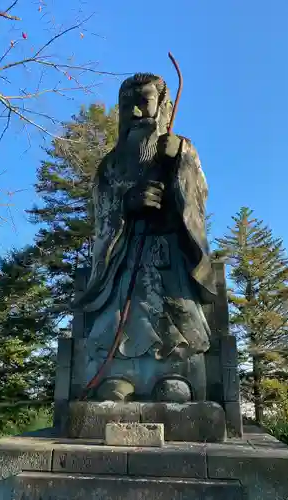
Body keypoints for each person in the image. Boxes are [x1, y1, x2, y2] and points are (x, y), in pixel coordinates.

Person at [79, 73, 217, 402]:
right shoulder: (111, 164)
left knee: (173, 315)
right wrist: (126, 202)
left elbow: (199, 196)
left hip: (167, 250)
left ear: (163, 107)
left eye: (144, 102)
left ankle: (173, 376)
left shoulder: (180, 149)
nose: (137, 113)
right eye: (128, 106)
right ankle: (118, 377)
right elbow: (102, 204)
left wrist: (181, 158)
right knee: (119, 317)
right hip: (124, 256)